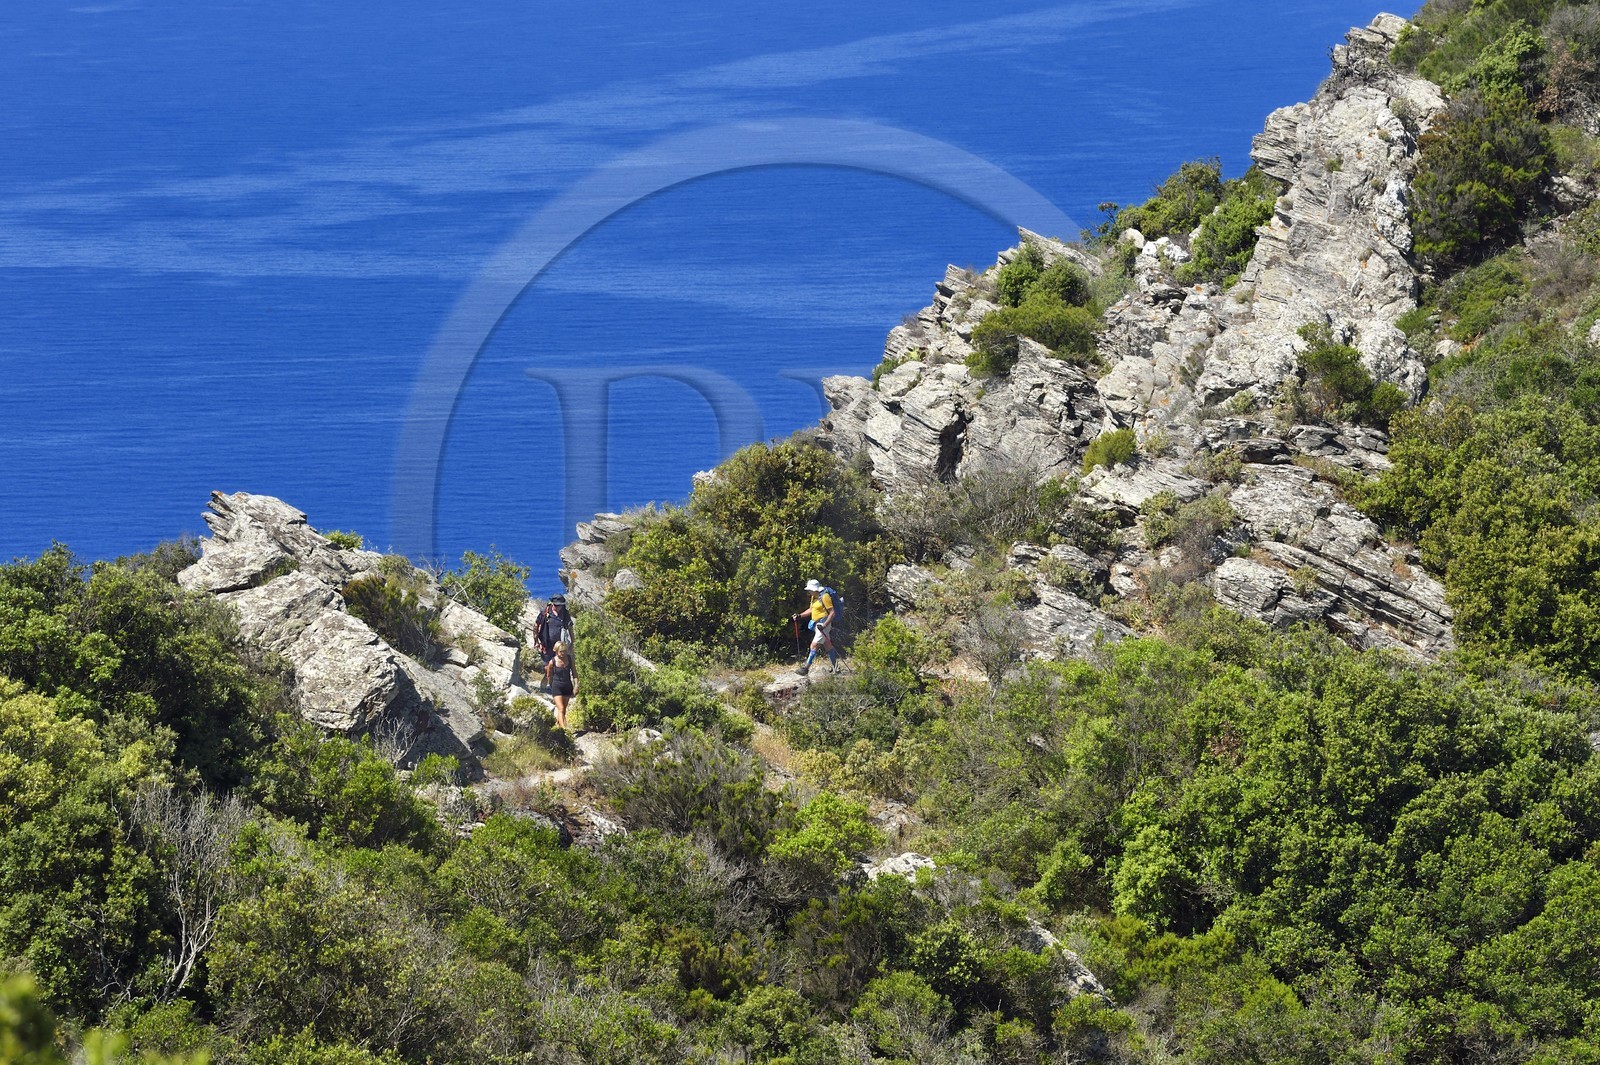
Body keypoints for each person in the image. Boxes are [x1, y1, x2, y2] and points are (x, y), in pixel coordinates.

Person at [790, 578, 838, 676]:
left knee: (814, 645)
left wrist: (824, 625)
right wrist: (799, 616)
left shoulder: (825, 596)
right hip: (818, 624)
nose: (809, 591)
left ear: (814, 589)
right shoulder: (814, 597)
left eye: (810, 589)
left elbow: (832, 613)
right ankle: (836, 667)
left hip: (823, 624)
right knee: (828, 645)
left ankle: (806, 668)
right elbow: (811, 610)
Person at [544, 643, 578, 730]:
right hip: (557, 687)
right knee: (561, 708)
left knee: (563, 710)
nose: (563, 653)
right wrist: (551, 685)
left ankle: (557, 726)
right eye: (561, 651)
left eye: (565, 651)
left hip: (567, 686)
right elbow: (549, 675)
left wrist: (576, 685)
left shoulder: (570, 659)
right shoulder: (552, 662)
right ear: (556, 651)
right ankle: (564, 730)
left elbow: (574, 673)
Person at [534, 593, 573, 669]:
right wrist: (536, 641)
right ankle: (548, 680)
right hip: (547, 645)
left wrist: (572, 643)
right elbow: (536, 625)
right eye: (556, 605)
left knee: (559, 666)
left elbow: (570, 628)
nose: (558, 607)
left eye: (560, 605)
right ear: (552, 604)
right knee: (548, 667)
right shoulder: (545, 612)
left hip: (560, 646)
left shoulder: (565, 613)